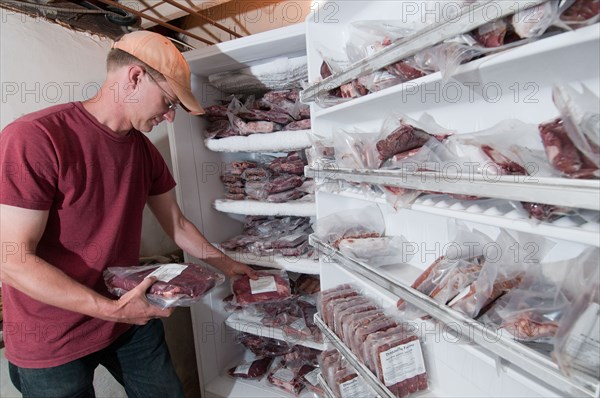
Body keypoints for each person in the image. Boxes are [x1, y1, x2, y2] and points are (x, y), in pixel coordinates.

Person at [0, 30, 256, 398]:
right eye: (168, 102)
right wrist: (110, 309)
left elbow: (177, 223)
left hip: (129, 317)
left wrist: (228, 265)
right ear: (135, 77)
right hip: (51, 336)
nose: (169, 118)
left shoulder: (143, 151)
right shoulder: (35, 138)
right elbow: (12, 260)